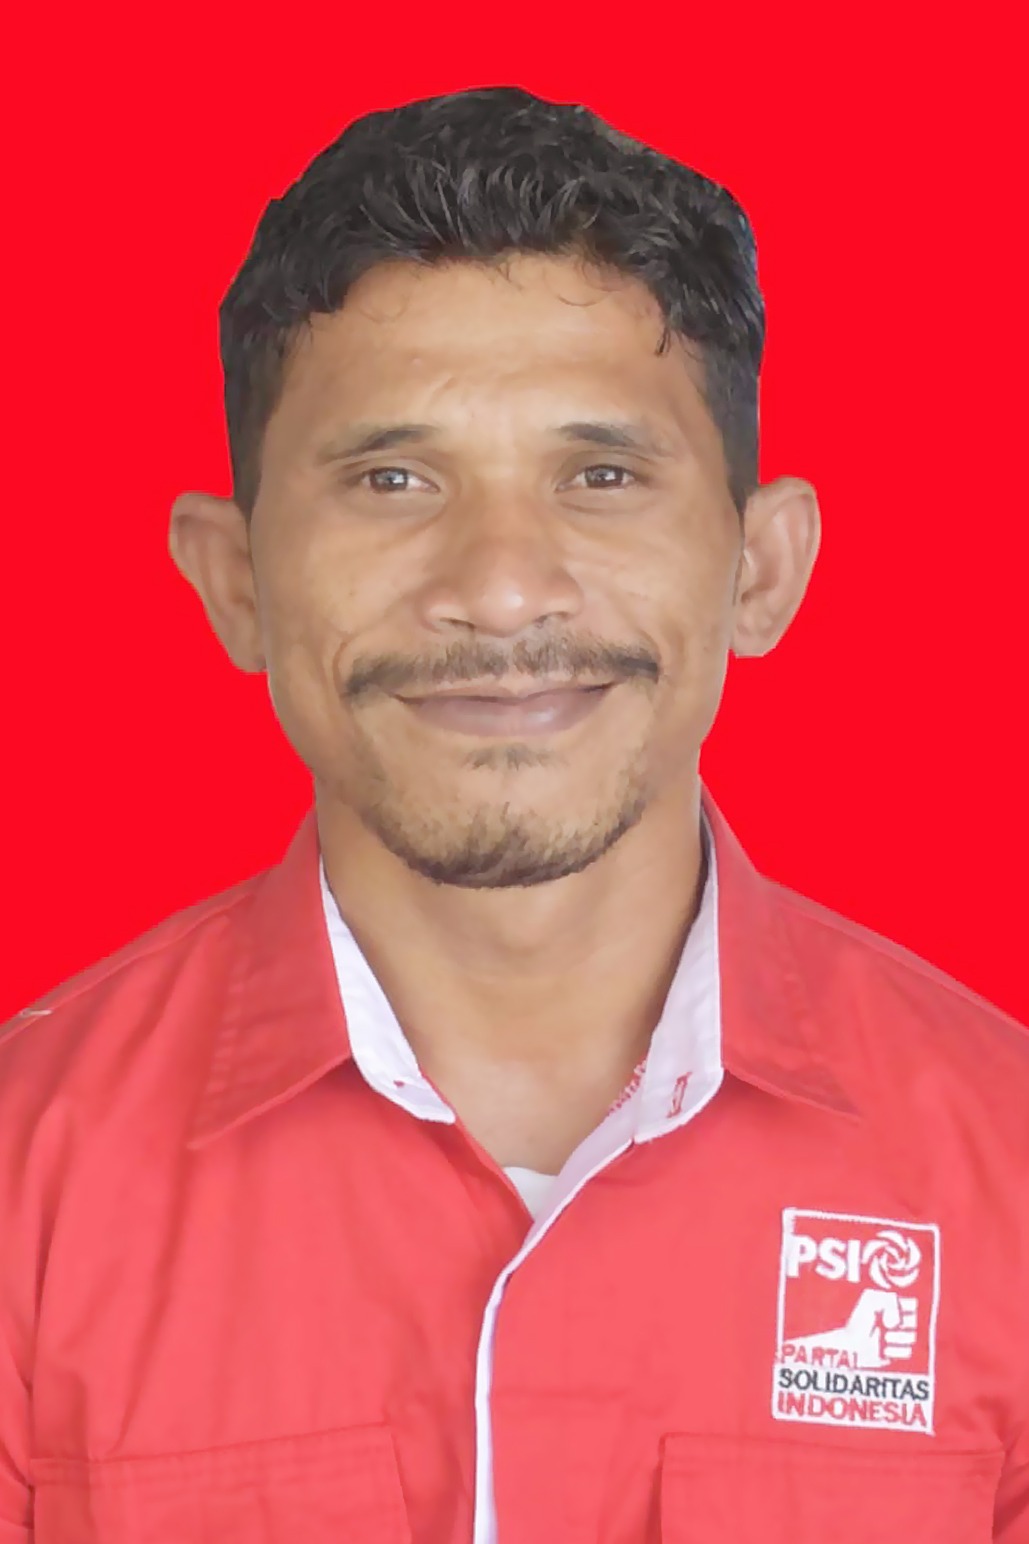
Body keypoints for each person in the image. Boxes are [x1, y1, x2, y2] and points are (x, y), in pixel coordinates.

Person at [1, 86, 1026, 1544]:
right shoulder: (24, 1178)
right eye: (392, 479)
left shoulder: (1008, 1168)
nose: (497, 588)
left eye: (600, 476)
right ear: (236, 581)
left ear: (759, 568)